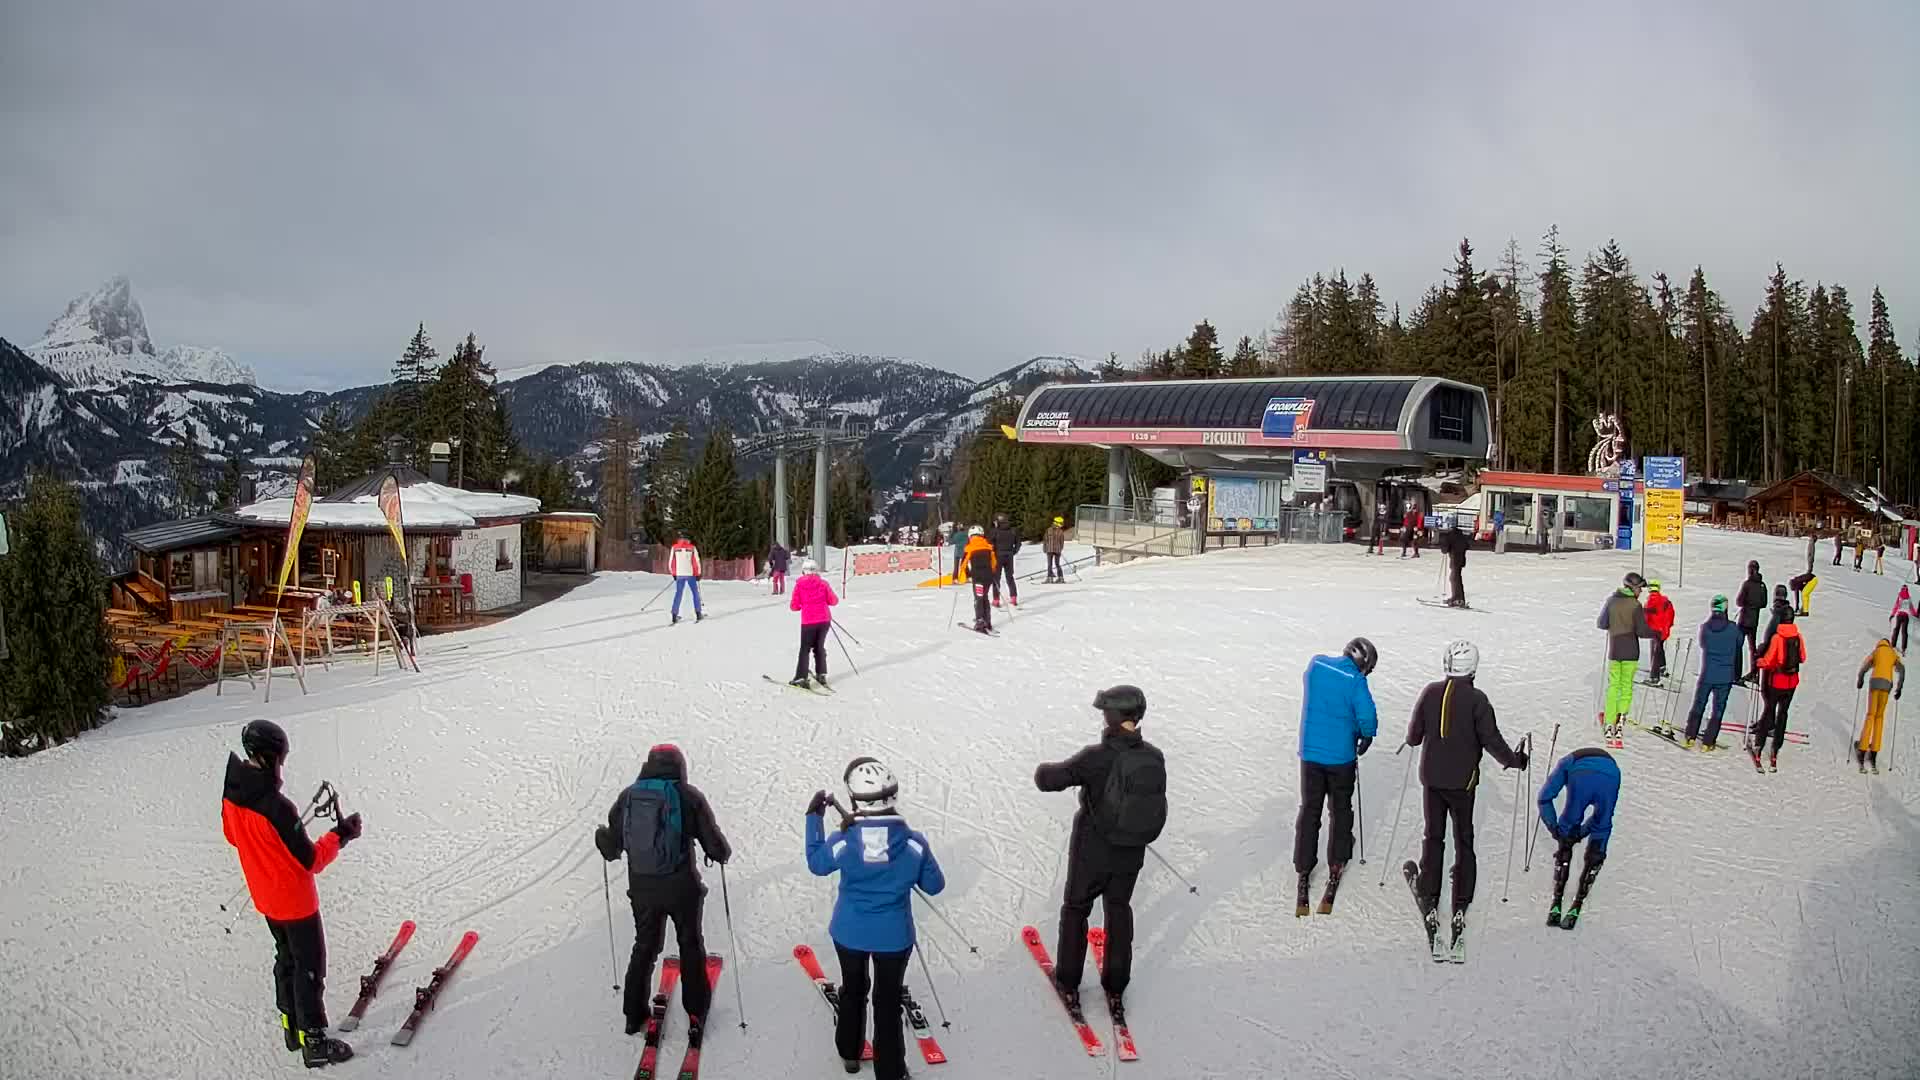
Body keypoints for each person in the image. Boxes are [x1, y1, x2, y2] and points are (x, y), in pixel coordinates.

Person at [221, 719, 363, 1067]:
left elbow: (233, 836)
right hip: (295, 904)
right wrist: (340, 835)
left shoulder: (231, 793)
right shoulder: (276, 807)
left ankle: (292, 1028)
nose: (281, 765)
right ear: (270, 757)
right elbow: (312, 860)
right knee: (309, 968)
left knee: (285, 960)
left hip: (266, 899)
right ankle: (314, 1042)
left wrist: (266, 852)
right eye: (280, 758)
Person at [805, 758, 945, 1080]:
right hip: (893, 937)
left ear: (854, 799)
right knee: (888, 1000)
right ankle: (891, 1071)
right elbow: (935, 886)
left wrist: (814, 818)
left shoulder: (843, 840)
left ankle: (849, 1052)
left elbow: (816, 863)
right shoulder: (913, 843)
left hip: (849, 931)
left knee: (853, 989)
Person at [1034, 686, 1165, 1020]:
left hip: (1093, 849)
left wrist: (1043, 769)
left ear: (1113, 718)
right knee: (1119, 910)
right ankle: (1116, 984)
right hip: (1131, 852)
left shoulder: (1096, 758)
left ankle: (1068, 980)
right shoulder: (1153, 756)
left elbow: (1050, 780)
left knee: (1077, 909)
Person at [594, 745, 732, 1039]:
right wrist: (719, 853)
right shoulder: (688, 795)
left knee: (644, 945)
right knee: (690, 944)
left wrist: (602, 838)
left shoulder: (629, 796)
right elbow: (714, 843)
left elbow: (612, 847)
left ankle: (633, 1015)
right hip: (682, 887)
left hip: (643, 888)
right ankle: (695, 1009)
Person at [1405, 640, 1527, 955]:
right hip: (1462, 783)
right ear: (1473, 667)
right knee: (1464, 840)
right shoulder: (1477, 700)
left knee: (1433, 836)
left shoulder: (1431, 692)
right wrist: (1514, 760)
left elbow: (1414, 736)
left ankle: (1429, 893)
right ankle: (1461, 902)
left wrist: (1416, 734)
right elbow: (1491, 739)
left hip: (1432, 780)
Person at [1293, 639, 1378, 914]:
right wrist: (1365, 735)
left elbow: (1324, 696)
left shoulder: (1316, 665)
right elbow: (1367, 717)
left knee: (1310, 809)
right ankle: (1337, 859)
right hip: (1340, 758)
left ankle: (1304, 865)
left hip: (1311, 754)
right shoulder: (1356, 681)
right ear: (1364, 665)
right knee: (1340, 810)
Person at [1536, 747, 1619, 929]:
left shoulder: (1564, 764)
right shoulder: (1569, 763)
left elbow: (1544, 799)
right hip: (1612, 773)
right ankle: (1578, 903)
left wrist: (1555, 829)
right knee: (1602, 826)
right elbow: (1598, 822)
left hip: (1581, 774)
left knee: (1567, 830)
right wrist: (1583, 832)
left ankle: (1557, 899)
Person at [1597, 573, 1656, 742]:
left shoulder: (1611, 601)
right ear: (1632, 587)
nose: (1641, 592)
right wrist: (1656, 633)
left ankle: (1609, 722)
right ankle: (1621, 718)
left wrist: (1614, 623)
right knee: (1626, 686)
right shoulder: (1635, 605)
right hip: (1631, 652)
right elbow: (1641, 631)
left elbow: (1602, 623)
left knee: (1613, 686)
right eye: (1639, 588)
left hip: (1615, 651)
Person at [1750, 608, 1807, 773]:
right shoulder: (1798, 636)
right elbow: (1803, 658)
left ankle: (1759, 745)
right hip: (1792, 682)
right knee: (1783, 713)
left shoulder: (1777, 638)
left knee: (1769, 711)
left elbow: (1768, 661)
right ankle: (1776, 748)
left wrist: (1759, 661)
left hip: (1777, 681)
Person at [1683, 595, 1742, 750]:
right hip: (1725, 675)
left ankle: (1690, 735)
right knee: (1718, 708)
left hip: (1707, 673)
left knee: (1699, 703)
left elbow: (1703, 644)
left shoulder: (1705, 628)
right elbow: (1739, 644)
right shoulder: (1733, 628)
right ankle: (1709, 741)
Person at [1854, 638, 1906, 773]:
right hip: (1887, 685)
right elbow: (1902, 669)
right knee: (1879, 717)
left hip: (1875, 683)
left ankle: (1863, 748)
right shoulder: (1893, 653)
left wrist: (1860, 680)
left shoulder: (1877, 651)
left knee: (1870, 715)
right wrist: (1899, 688)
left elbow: (1865, 666)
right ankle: (1874, 751)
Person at [789, 559, 838, 688]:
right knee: (819, 647)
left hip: (808, 621)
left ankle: (801, 677)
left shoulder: (799, 585)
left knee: (805, 649)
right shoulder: (823, 584)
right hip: (824, 620)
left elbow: (794, 606)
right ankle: (821, 674)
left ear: (803, 571)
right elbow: (834, 601)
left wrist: (803, 604)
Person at [960, 526, 997, 633]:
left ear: (970, 536)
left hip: (978, 577)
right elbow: (994, 563)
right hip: (988, 577)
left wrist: (967, 574)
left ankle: (980, 622)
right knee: (985, 597)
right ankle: (987, 621)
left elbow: (963, 564)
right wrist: (993, 572)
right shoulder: (988, 547)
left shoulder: (969, 548)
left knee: (978, 598)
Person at [1735, 561, 1767, 681]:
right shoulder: (1762, 585)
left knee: (1738, 645)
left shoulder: (1747, 584)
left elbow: (1739, 601)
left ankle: (1736, 674)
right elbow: (1764, 603)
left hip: (1744, 620)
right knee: (1752, 647)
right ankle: (1754, 673)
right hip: (1755, 620)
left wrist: (1747, 604)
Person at [668, 533, 704, 624]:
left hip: (680, 574)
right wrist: (698, 573)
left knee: (678, 593)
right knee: (695, 593)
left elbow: (671, 561)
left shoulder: (674, 547)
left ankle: (674, 615)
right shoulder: (692, 547)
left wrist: (674, 573)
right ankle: (698, 613)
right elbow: (696, 561)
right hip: (690, 574)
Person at [1644, 580, 1675, 685]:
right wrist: (1667, 627)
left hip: (1655, 631)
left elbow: (1646, 617)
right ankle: (1662, 668)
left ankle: (1654, 678)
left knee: (1655, 653)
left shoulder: (1650, 601)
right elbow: (1671, 614)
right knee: (1659, 648)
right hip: (1664, 631)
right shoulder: (1666, 600)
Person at [988, 512, 1022, 608]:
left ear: (998, 521)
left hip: (997, 556)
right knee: (1010, 577)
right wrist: (1013, 552)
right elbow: (1018, 543)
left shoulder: (994, 531)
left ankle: (996, 600)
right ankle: (1014, 597)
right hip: (1009, 556)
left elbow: (989, 544)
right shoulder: (1013, 530)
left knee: (996, 579)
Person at [1439, 521, 1468, 607]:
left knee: (1454, 578)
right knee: (1457, 578)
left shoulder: (1450, 536)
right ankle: (1459, 598)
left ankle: (1457, 598)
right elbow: (1467, 546)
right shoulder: (1461, 536)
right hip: (1461, 559)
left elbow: (1445, 549)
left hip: (1455, 559)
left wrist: (1444, 544)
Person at [1891, 585, 1915, 654]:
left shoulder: (1900, 597)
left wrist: (1893, 614)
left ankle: (1893, 645)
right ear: (1907, 590)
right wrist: (1915, 614)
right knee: (1904, 632)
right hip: (1906, 617)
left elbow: (1896, 606)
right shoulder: (1909, 598)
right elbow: (1911, 608)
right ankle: (1904, 648)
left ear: (1901, 589)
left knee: (1896, 629)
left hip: (1899, 615)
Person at [1043, 516, 1068, 583]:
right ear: (1057, 523)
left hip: (1056, 550)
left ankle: (1059, 578)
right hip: (1050, 549)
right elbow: (1045, 540)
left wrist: (1060, 549)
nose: (1062, 525)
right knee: (1051, 564)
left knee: (1055, 564)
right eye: (1061, 523)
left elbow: (1061, 542)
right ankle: (1050, 578)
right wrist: (1045, 548)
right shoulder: (1049, 530)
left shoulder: (1060, 531)